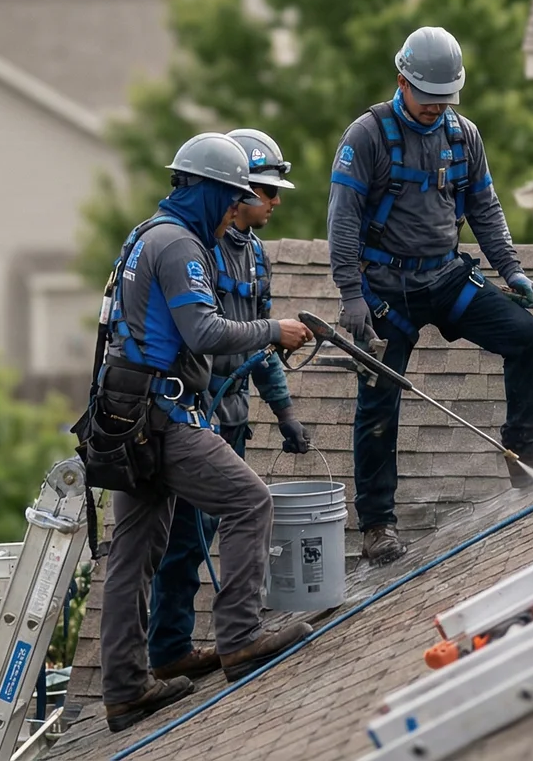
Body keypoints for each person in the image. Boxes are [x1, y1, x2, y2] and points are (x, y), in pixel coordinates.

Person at [327, 27, 533, 567]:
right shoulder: (367, 137)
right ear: (402, 81)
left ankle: (525, 450)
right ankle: (377, 524)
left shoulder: (462, 135)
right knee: (380, 400)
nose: (437, 110)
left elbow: (485, 211)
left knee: (527, 336)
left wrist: (511, 270)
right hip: (386, 292)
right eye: (428, 100)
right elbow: (343, 222)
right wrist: (351, 297)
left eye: (446, 100)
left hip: (445, 279)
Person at [93, 132, 315, 732]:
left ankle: (125, 689)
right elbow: (206, 334)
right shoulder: (182, 246)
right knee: (249, 501)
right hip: (162, 416)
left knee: (132, 557)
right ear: (212, 192)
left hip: (124, 414)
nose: (237, 209)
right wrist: (274, 330)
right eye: (235, 195)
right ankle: (241, 637)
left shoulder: (144, 236)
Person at [145, 128, 313, 682]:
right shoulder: (196, 249)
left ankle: (209, 640)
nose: (275, 201)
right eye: (266, 191)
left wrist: (283, 408)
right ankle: (172, 649)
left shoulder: (256, 257)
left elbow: (258, 340)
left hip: (231, 415)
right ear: (234, 194)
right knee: (184, 543)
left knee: (216, 530)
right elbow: (209, 331)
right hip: (192, 412)